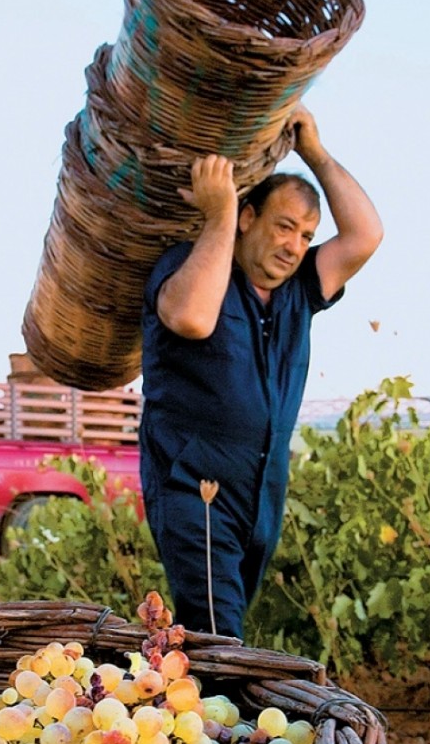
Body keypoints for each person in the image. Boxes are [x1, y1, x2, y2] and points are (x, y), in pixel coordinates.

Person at [139, 103, 383, 639]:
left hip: (261, 496)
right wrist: (220, 212)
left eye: (305, 234)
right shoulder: (190, 266)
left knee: (218, 633)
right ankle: (220, 719)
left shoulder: (299, 292)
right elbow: (190, 316)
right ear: (249, 219)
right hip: (194, 488)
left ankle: (190, 713)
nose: (295, 246)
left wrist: (314, 152)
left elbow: (365, 235)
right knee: (220, 636)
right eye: (284, 227)